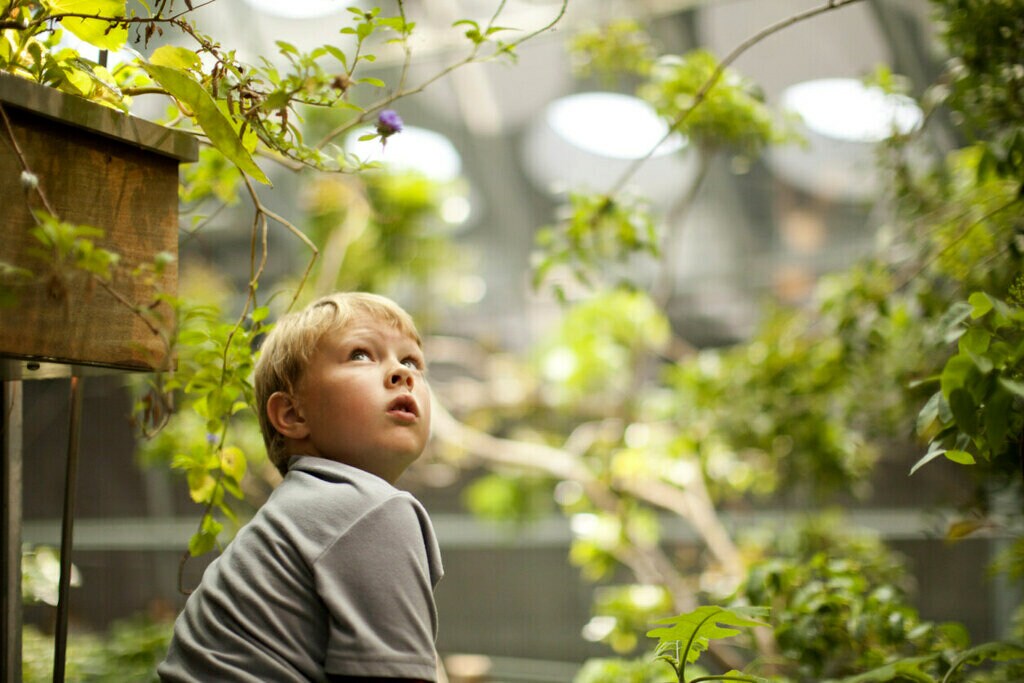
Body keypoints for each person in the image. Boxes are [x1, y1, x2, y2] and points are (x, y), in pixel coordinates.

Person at [158, 292, 444, 682]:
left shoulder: (298, 514)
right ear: (292, 414)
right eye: (360, 354)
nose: (402, 373)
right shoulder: (368, 509)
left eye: (411, 360)